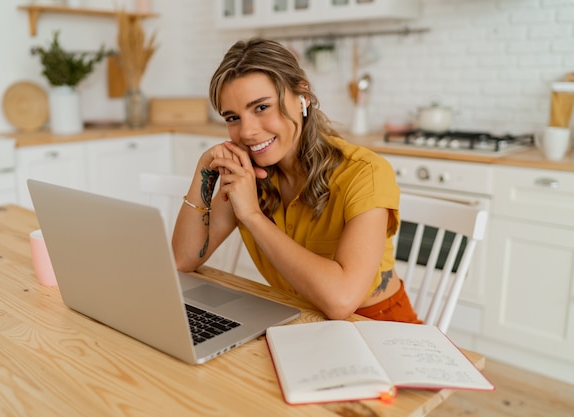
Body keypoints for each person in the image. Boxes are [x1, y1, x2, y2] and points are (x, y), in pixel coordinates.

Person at [172, 37, 420, 323]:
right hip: (297, 320)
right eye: (232, 117)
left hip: (377, 325)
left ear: (302, 94)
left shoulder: (365, 173)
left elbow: (341, 302)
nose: (248, 131)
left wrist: (252, 215)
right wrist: (204, 169)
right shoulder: (245, 173)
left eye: (262, 107)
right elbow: (183, 260)